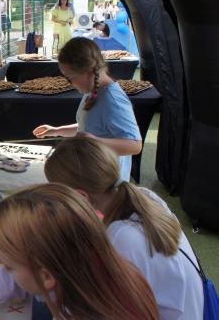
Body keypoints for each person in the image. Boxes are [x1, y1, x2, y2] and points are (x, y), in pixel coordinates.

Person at [0, 183, 159, 320]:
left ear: (47, 276)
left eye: (8, 267)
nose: (5, 270)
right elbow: (28, 269)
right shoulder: (88, 265)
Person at [44, 137, 204, 320]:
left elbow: (99, 308)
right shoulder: (146, 196)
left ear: (81, 196)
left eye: (60, 197)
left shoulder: (121, 239)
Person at [32, 37, 141, 181]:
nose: (70, 83)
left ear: (88, 72)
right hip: (93, 174)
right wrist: (57, 131)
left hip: (108, 181)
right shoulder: (92, 90)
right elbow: (88, 128)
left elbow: (134, 145)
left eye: (70, 78)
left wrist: (94, 141)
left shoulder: (112, 100)